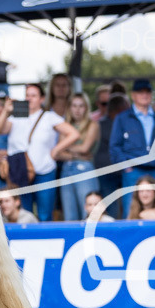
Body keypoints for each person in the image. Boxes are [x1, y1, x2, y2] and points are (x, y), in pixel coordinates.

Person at [0, 83, 79, 221]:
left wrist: (56, 150)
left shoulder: (49, 116)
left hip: (44, 170)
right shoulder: (17, 115)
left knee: (45, 214)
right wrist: (6, 110)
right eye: (27, 95)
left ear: (42, 98)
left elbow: (73, 133)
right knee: (23, 213)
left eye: (33, 95)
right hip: (20, 170)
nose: (29, 98)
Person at [109, 78, 155, 213]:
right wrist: (126, 167)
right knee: (131, 209)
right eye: (140, 92)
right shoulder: (123, 118)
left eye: (147, 92)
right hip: (133, 171)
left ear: (151, 95)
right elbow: (114, 146)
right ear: (133, 95)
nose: (144, 95)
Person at [58, 93, 100, 221]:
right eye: (74, 105)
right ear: (70, 107)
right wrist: (75, 153)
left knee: (87, 213)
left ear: (86, 108)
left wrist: (65, 147)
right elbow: (58, 153)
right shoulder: (65, 124)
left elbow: (85, 148)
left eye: (81, 106)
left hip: (84, 169)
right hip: (66, 170)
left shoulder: (92, 125)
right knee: (69, 215)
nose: (77, 109)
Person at [95, 93, 129, 219]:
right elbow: (121, 143)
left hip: (122, 169)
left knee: (128, 203)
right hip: (107, 171)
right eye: (127, 107)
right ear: (120, 109)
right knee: (111, 206)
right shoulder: (103, 124)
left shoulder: (120, 123)